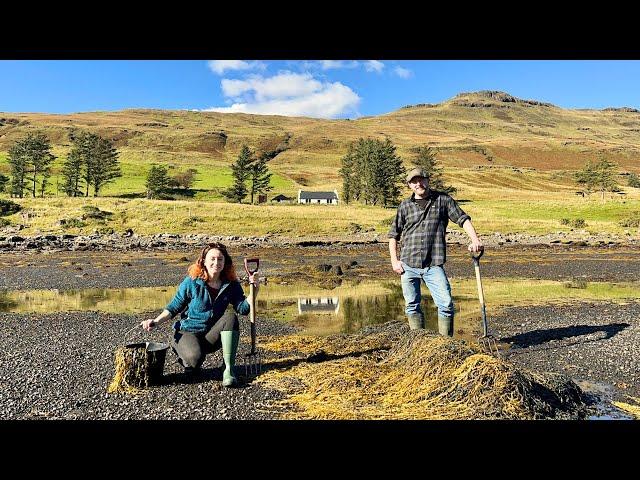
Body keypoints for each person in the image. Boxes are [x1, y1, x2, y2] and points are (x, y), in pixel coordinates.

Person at [141, 242, 259, 387]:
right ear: (203, 261)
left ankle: (228, 369)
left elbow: (243, 309)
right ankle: (186, 356)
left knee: (230, 317)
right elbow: (174, 307)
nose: (216, 262)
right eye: (212, 259)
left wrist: (255, 291)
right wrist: (156, 321)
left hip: (211, 336)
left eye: (220, 259)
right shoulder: (192, 282)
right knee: (195, 361)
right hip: (187, 332)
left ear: (225, 261)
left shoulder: (231, 284)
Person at [388, 167, 483, 336]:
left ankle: (445, 344)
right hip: (408, 264)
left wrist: (475, 239)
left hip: (433, 264)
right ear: (409, 185)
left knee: (446, 305)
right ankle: (418, 342)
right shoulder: (404, 206)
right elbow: (393, 235)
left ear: (427, 180)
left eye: (422, 179)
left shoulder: (443, 200)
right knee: (412, 306)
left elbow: (463, 219)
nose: (419, 183)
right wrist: (394, 261)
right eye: (414, 181)